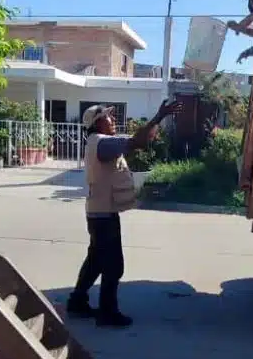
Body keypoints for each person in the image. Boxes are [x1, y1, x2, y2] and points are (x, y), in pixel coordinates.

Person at [67, 99, 181, 327]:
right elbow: (138, 141)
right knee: (113, 265)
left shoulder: (97, 142)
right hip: (103, 215)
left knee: (96, 261)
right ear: (98, 123)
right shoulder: (102, 142)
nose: (113, 119)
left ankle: (77, 301)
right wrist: (159, 116)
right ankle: (107, 314)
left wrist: (157, 123)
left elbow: (143, 140)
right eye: (108, 117)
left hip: (99, 212)